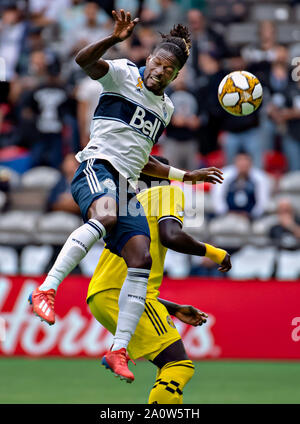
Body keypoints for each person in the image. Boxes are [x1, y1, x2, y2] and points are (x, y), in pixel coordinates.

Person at [28, 9, 223, 382]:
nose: (160, 70)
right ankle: (45, 290)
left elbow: (142, 160)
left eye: (169, 69)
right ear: (149, 59)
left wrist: (187, 175)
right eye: (158, 62)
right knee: (106, 218)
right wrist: (114, 39)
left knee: (141, 256)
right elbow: (83, 61)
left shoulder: (165, 109)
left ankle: (118, 349)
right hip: (96, 167)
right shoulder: (122, 74)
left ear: (176, 74)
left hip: (126, 183)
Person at [87, 158, 231, 395]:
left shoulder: (126, 206)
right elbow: (170, 235)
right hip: (119, 295)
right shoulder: (165, 193)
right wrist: (214, 253)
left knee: (169, 365)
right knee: (179, 366)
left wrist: (173, 309)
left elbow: (128, 281)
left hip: (102, 294)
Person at [211, 151, 271, 219]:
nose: (243, 163)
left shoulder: (260, 177)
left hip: (250, 216)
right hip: (228, 214)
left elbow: (262, 201)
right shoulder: (225, 175)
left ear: (251, 163)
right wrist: (225, 213)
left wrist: (252, 215)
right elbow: (217, 197)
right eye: (240, 160)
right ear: (235, 162)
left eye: (246, 160)